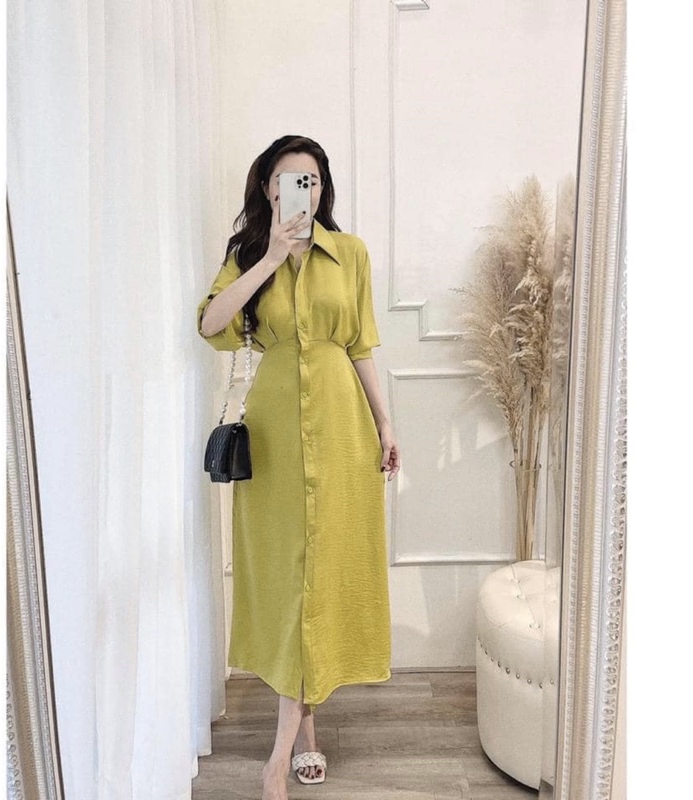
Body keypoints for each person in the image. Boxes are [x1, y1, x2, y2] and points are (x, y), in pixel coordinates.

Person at [197, 134, 400, 800]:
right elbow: (211, 325)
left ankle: (281, 755)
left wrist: (385, 423)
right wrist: (269, 259)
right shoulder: (247, 255)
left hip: (342, 428)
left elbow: (361, 344)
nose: (301, 192)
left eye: (311, 181)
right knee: (290, 581)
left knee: (325, 578)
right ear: (268, 188)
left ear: (323, 188)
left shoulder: (352, 254)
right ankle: (301, 736)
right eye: (289, 180)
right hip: (276, 434)